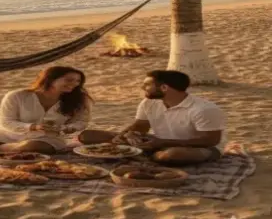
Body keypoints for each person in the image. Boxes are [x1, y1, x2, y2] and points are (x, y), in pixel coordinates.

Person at [78, 70, 225, 165]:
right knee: (87, 135)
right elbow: (140, 126)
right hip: (157, 142)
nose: (143, 88)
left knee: (173, 155)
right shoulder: (149, 102)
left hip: (198, 148)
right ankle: (146, 153)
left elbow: (210, 140)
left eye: (147, 85)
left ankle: (148, 156)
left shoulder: (204, 109)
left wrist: (162, 142)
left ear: (164, 88)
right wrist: (126, 134)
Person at [0, 66, 92, 155]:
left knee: (30, 148)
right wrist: (32, 126)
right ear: (50, 80)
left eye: (77, 81)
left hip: (47, 137)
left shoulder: (79, 99)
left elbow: (81, 121)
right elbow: (6, 121)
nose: (74, 84)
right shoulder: (17, 95)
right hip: (9, 133)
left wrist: (67, 128)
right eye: (69, 80)